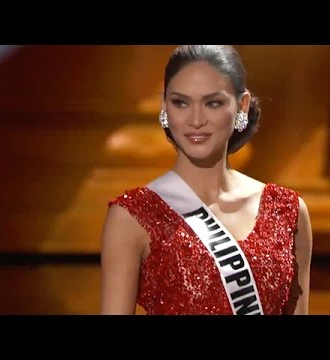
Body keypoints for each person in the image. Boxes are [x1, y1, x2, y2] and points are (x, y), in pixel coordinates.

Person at [100, 45, 313, 315]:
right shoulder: (133, 216)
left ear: (241, 106)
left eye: (213, 103)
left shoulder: (287, 211)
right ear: (165, 106)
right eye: (181, 102)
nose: (196, 120)